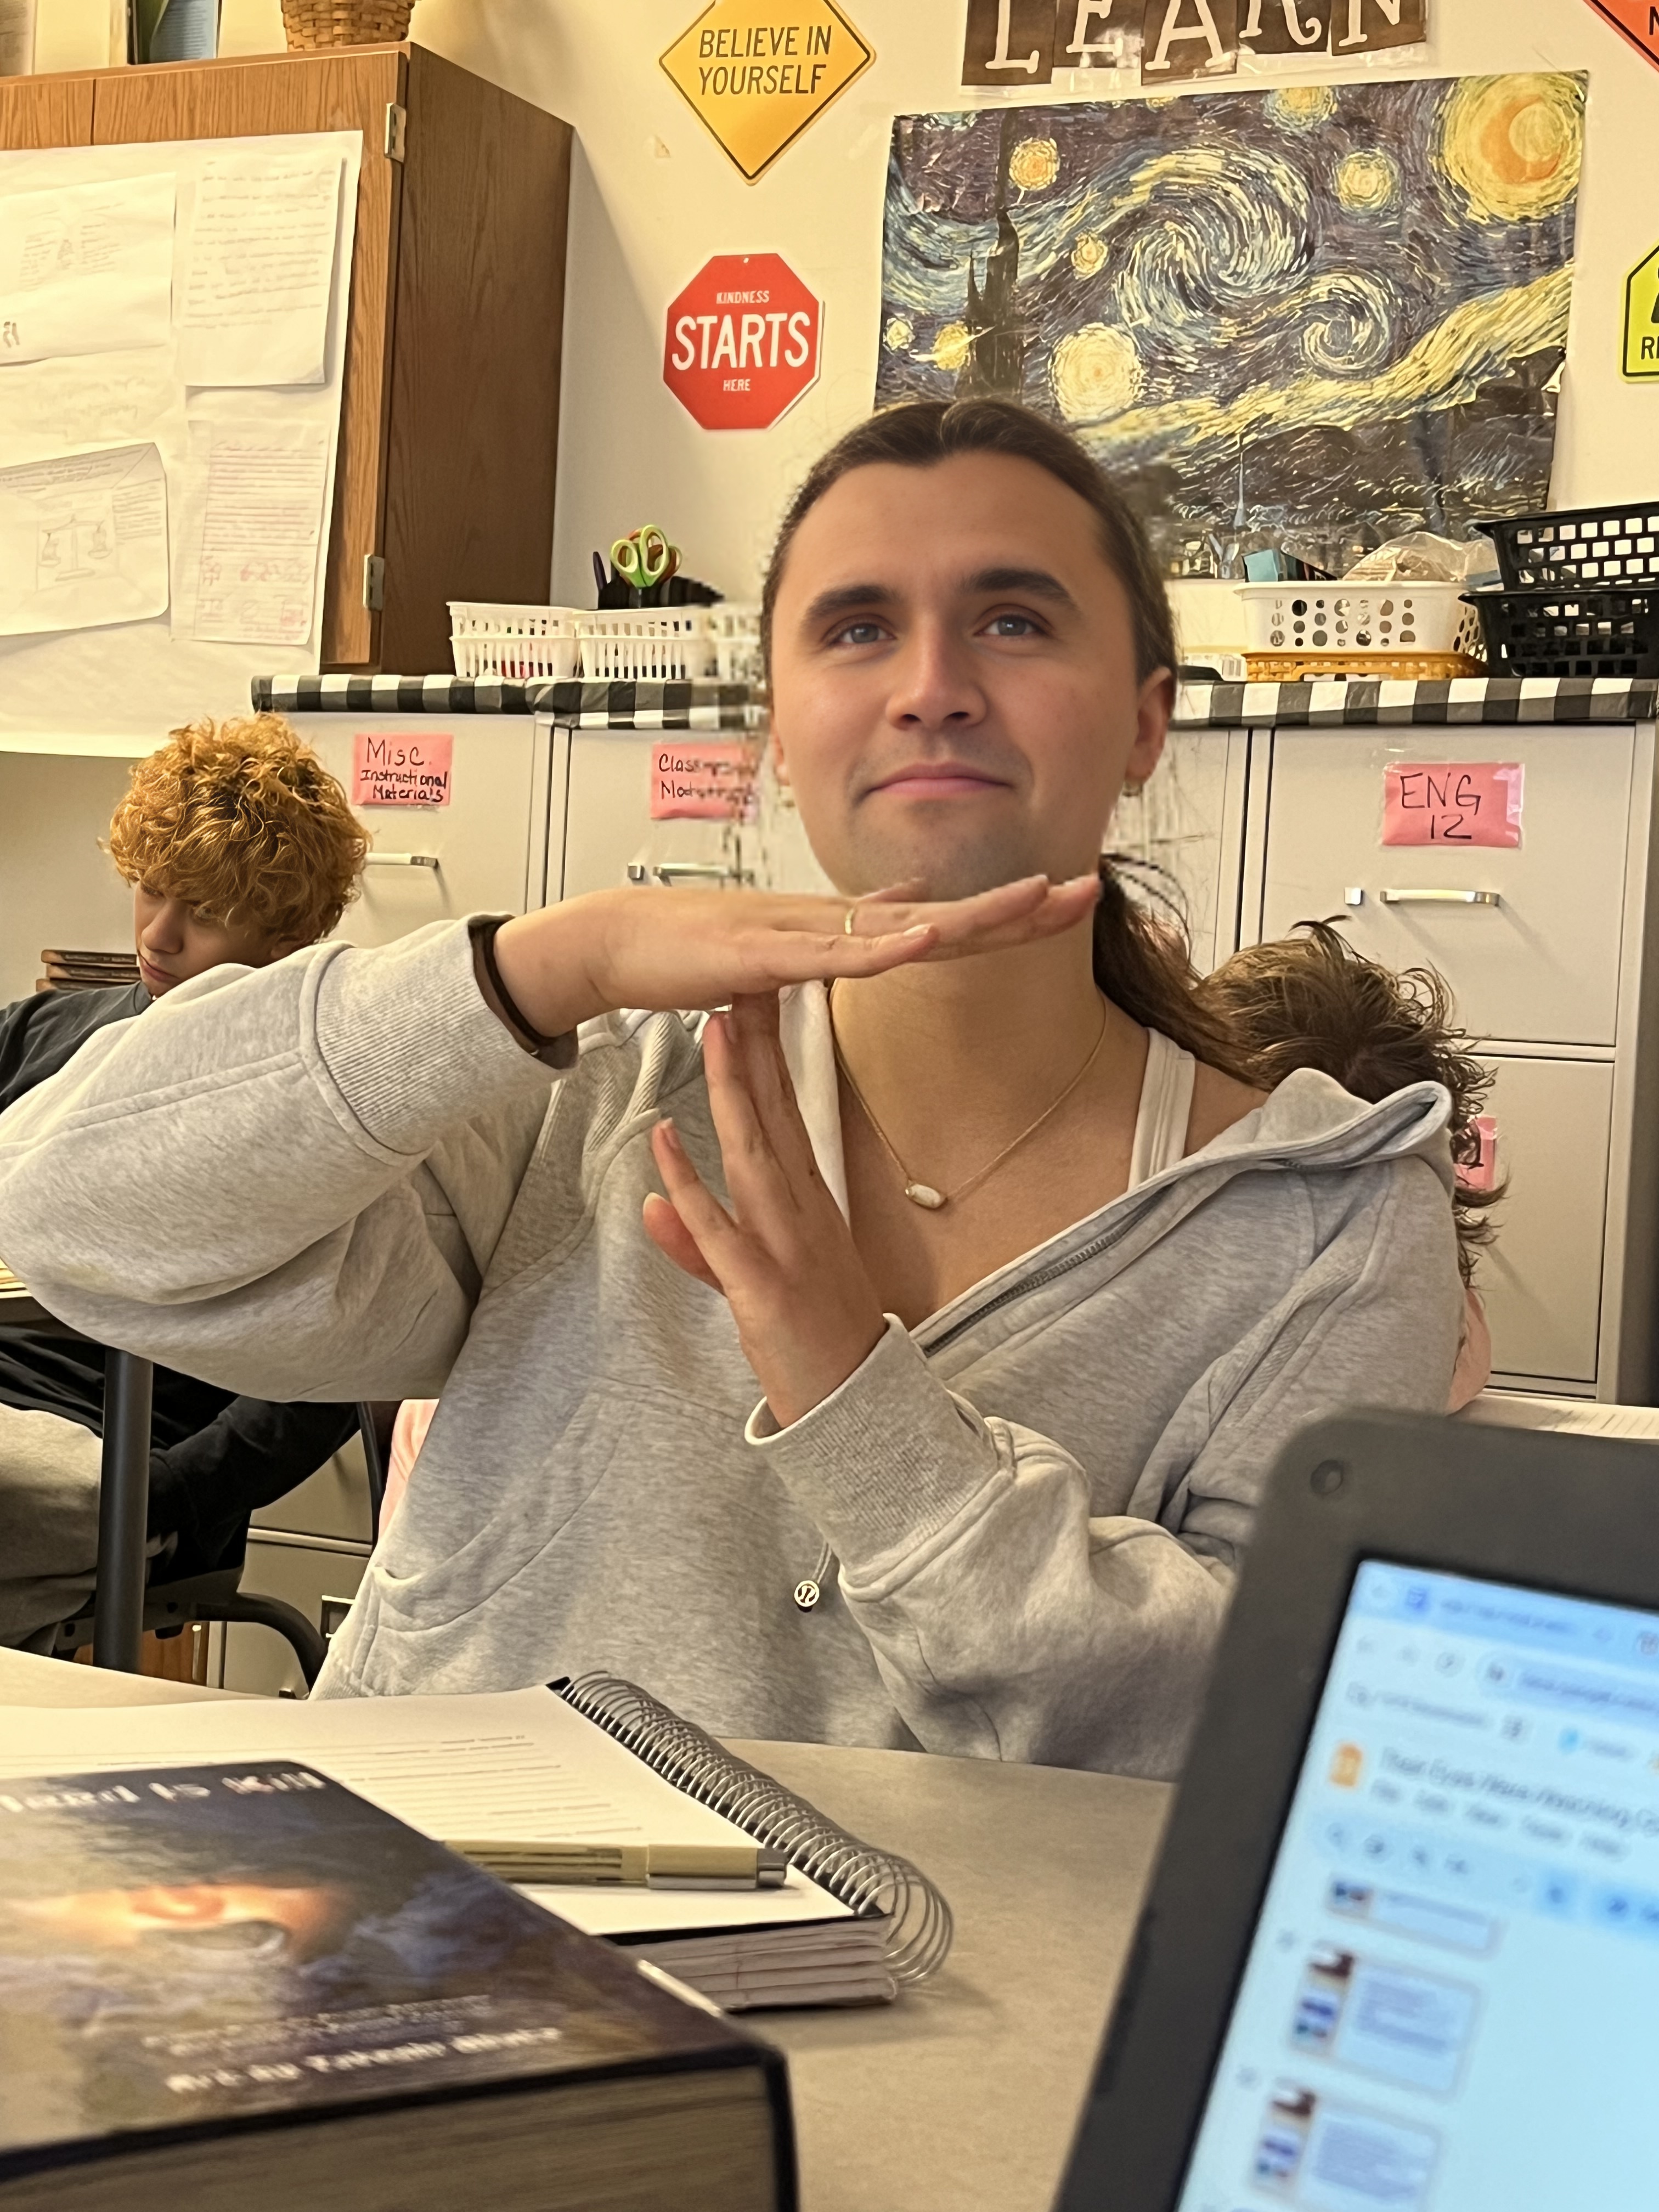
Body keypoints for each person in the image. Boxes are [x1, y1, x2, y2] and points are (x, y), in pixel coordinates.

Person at [0, 402, 1465, 1775]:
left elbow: (1225, 1737)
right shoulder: (596, 1084)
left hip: (961, 1970)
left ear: (1146, 721)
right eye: (858, 629)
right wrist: (544, 962)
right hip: (438, 1921)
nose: (932, 690)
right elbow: (78, 1217)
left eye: (1014, 620)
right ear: (776, 727)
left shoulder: (1329, 1226)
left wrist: (855, 1394)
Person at [0, 714, 369, 1649]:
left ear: (285, 934)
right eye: (152, 890)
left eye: (203, 913)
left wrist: (172, 1495)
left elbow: (332, 1378)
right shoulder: (42, 1034)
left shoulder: (314, 1105)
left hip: (111, 1449)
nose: (158, 936)